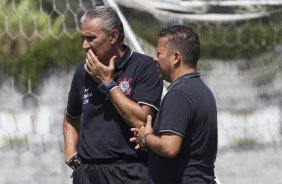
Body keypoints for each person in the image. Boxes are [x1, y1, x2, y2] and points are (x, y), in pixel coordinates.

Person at [63, 6, 163, 184]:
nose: (84, 45)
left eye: (91, 38)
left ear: (113, 36)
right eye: (83, 38)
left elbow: (141, 121)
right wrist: (70, 151)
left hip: (130, 171)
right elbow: (71, 116)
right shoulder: (82, 72)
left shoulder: (144, 67)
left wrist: (108, 84)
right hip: (88, 172)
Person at [130, 25, 218, 184]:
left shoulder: (179, 94)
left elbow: (169, 147)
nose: (154, 59)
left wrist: (146, 137)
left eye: (159, 53)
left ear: (176, 57)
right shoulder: (202, 90)